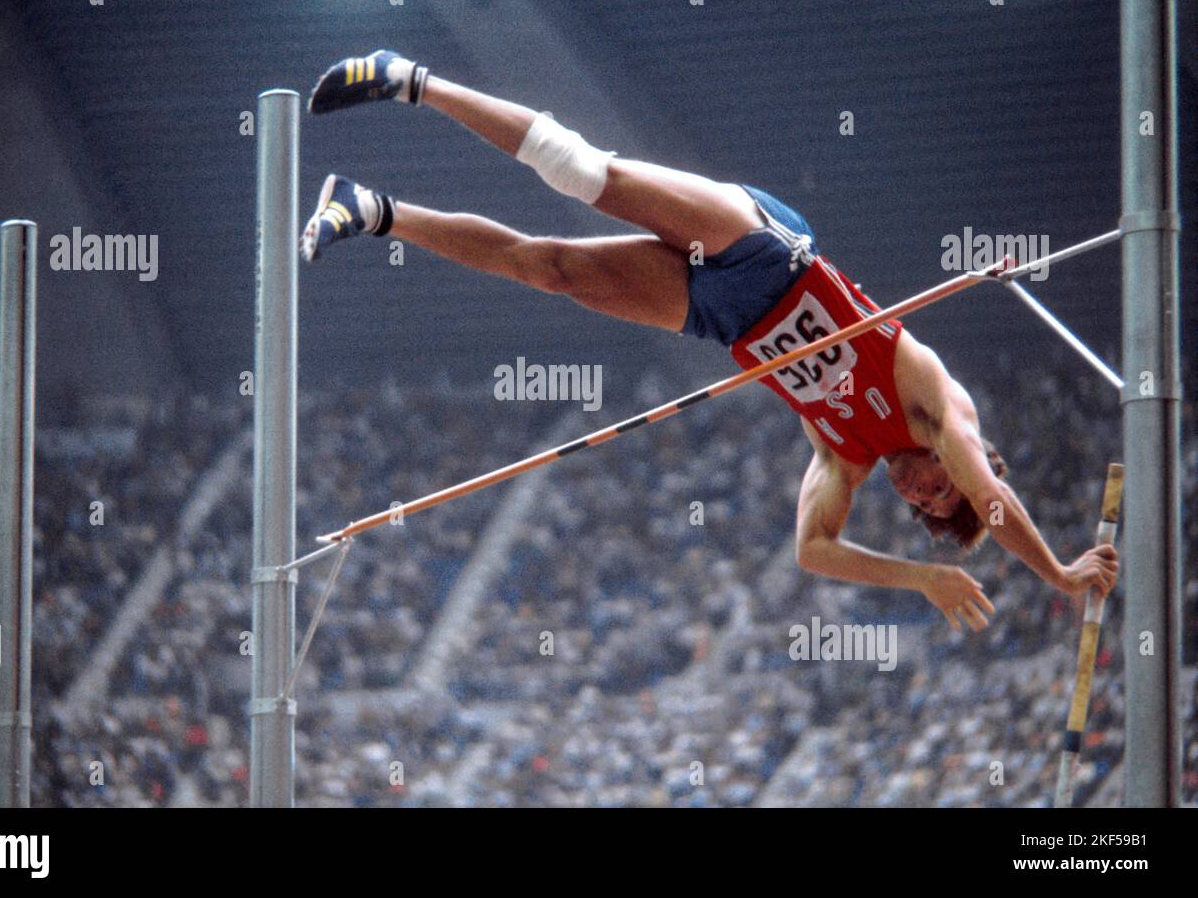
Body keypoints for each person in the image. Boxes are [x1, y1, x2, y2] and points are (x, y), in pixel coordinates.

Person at [300, 51, 1118, 633]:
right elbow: (990, 494)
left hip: (718, 315)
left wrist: (924, 578)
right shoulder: (938, 407)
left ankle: (371, 210)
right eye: (944, 494)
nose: (923, 496)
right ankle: (410, 79)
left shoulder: (844, 460)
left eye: (923, 511)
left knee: (545, 268)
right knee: (587, 175)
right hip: (765, 250)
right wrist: (1055, 572)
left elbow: (813, 552)